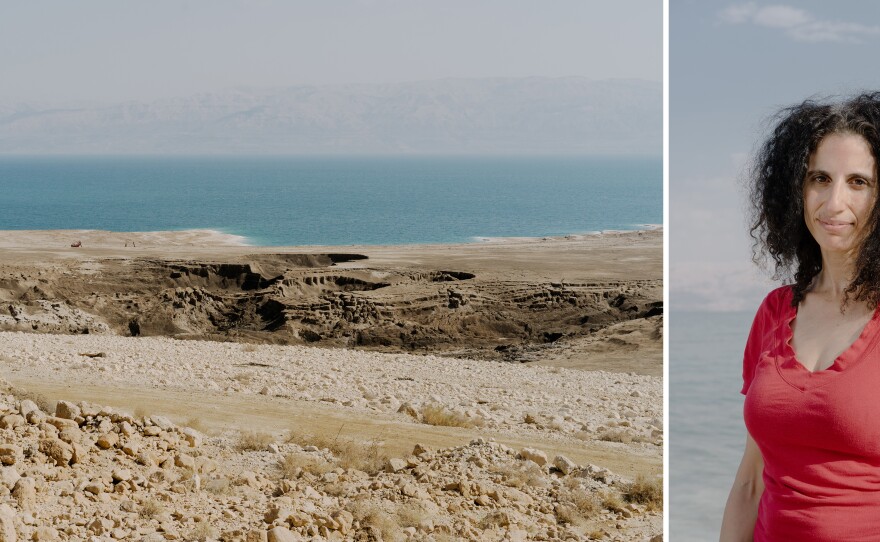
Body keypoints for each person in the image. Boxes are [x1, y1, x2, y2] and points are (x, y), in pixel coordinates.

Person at [720, 93, 880, 541]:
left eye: (859, 182)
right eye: (820, 178)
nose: (834, 203)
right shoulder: (775, 311)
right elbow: (751, 482)